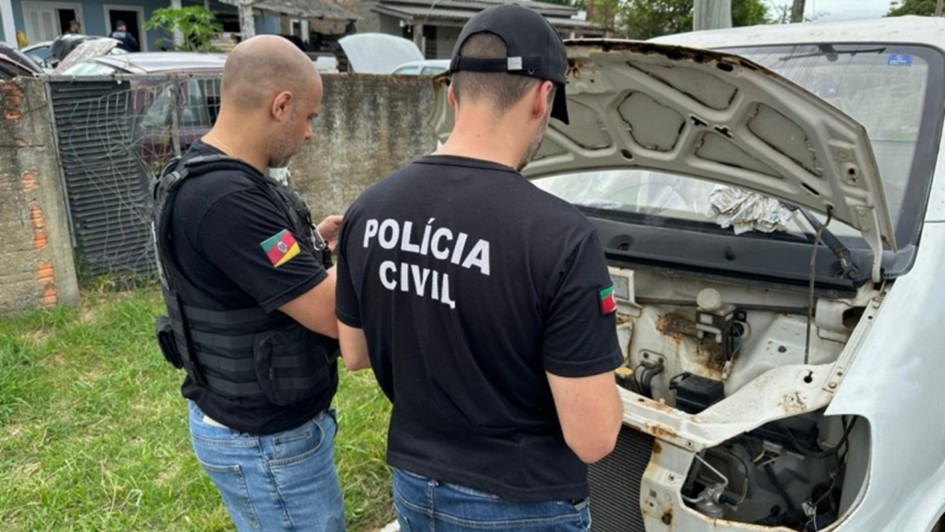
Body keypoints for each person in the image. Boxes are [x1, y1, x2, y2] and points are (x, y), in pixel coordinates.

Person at [334, 4, 624, 530]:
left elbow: (353, 352)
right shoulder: (562, 237)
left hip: (415, 485)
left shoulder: (369, 207)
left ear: (452, 92)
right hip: (523, 503)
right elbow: (595, 437)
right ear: (542, 97)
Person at [151, 35, 345, 531]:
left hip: (258, 431)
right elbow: (329, 311)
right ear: (281, 105)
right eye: (309, 117)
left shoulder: (209, 176)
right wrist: (377, 253)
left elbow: (252, 272)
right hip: (266, 444)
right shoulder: (228, 201)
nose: (309, 133)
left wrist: (317, 243)